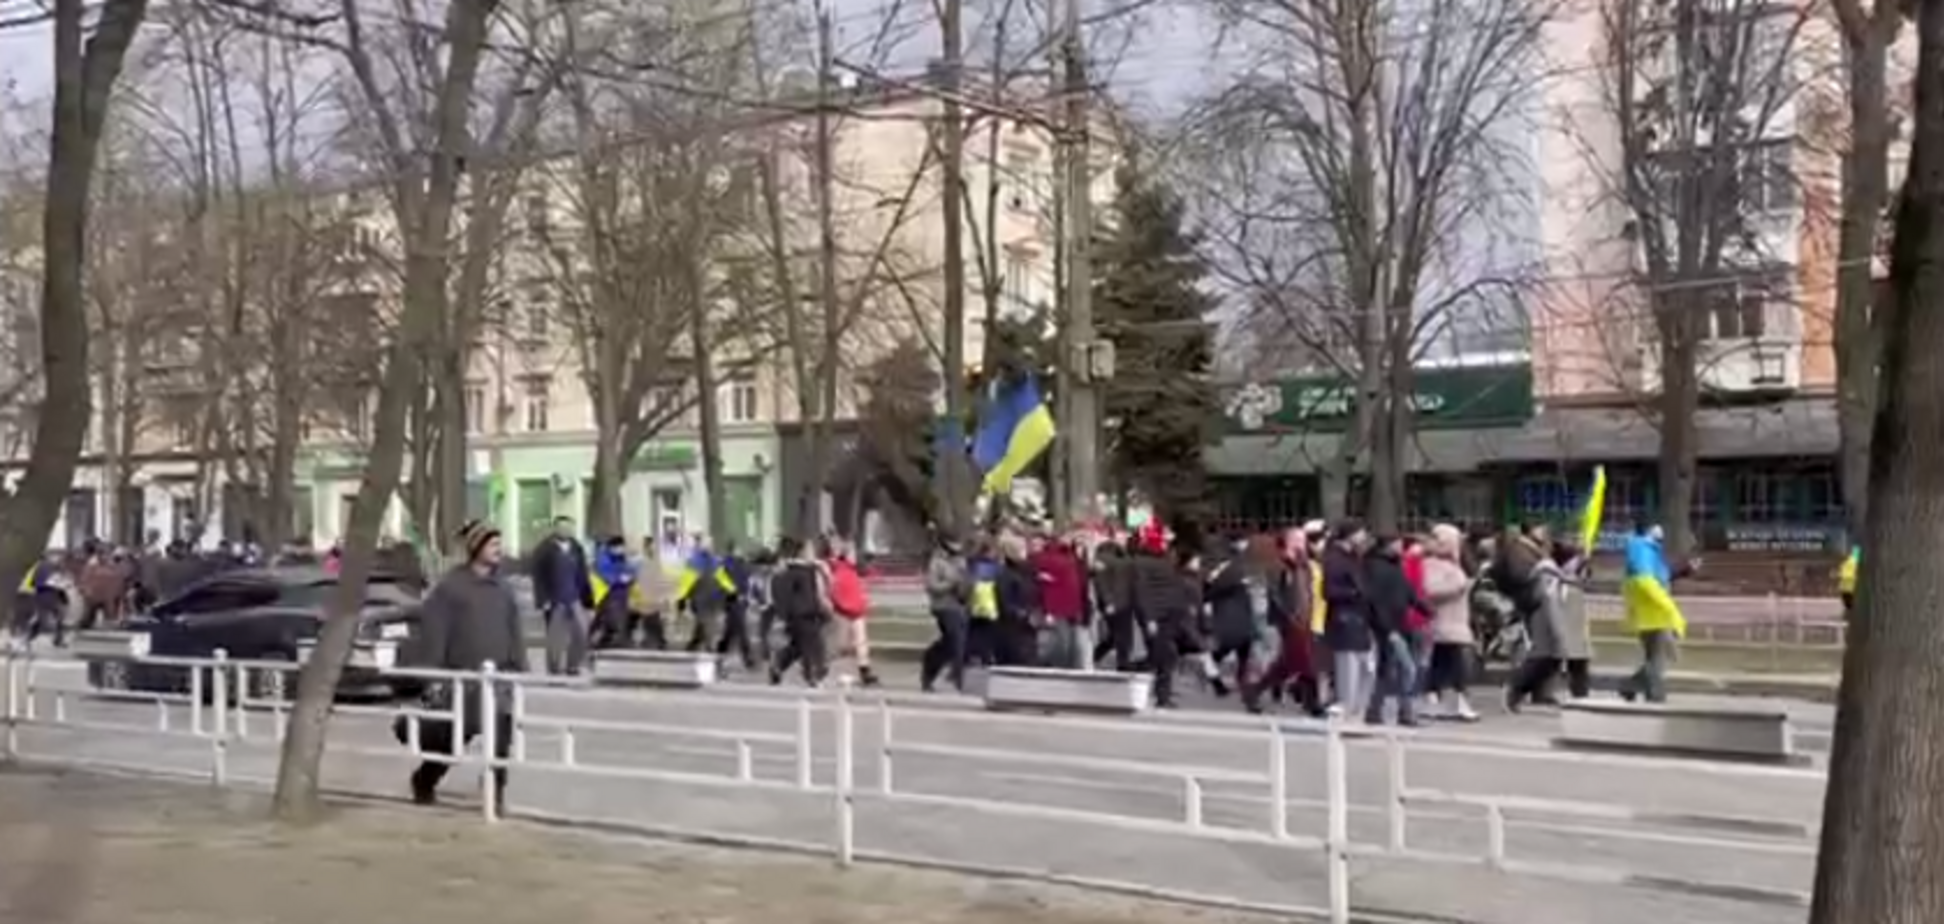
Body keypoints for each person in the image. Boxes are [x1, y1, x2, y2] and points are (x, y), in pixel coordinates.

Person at [406, 519, 526, 809]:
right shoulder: (451, 587)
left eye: (500, 544)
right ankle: (424, 780)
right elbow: (435, 630)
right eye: (493, 544)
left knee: (500, 740)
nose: (500, 550)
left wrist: (518, 662)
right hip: (461, 679)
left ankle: (495, 794)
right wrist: (432, 675)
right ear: (477, 547)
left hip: (498, 679)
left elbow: (514, 626)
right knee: (451, 741)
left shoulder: (503, 588)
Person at [1362, 531, 1424, 726]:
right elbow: (1377, 601)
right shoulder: (1377, 568)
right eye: (1397, 543)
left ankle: (1380, 710)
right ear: (1387, 546)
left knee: (1390, 668)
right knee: (1405, 668)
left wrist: (1424, 608)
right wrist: (1387, 628)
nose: (1400, 547)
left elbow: (1407, 592)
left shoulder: (1395, 566)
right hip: (1388, 627)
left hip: (1399, 623)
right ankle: (1400, 711)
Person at [1619, 522, 1686, 703]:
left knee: (1654, 659)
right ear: (1648, 531)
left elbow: (1658, 578)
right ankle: (1654, 696)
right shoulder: (1643, 550)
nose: (1661, 530)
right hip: (1654, 616)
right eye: (1657, 527)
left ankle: (1633, 687)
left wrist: (1682, 572)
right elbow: (1648, 584)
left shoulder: (1645, 551)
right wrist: (1672, 611)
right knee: (1658, 661)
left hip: (1649, 616)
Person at [1420, 524, 1477, 721]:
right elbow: (1429, 590)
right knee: (1452, 663)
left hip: (1457, 621)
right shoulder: (1430, 563)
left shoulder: (1456, 564)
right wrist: (1459, 586)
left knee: (1448, 663)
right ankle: (1442, 700)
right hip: (1442, 622)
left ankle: (1448, 700)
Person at [1320, 520, 1376, 718]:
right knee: (1349, 671)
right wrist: (1355, 593)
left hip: (1359, 619)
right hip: (1345, 620)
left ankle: (1356, 712)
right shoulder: (1335, 559)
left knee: (1366, 669)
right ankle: (1346, 711)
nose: (1363, 538)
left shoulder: (1354, 558)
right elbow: (1329, 591)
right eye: (1360, 533)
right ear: (1349, 535)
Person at [529, 516, 594, 675]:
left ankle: (573, 664)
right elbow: (538, 576)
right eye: (562, 527)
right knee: (555, 637)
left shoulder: (576, 548)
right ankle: (554, 667)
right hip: (555, 599)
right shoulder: (544, 549)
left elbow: (583, 574)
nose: (566, 530)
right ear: (555, 528)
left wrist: (588, 599)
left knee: (582, 631)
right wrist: (542, 599)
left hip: (574, 597)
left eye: (569, 527)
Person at [768, 537, 833, 687]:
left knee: (798, 647)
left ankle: (778, 666)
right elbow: (783, 595)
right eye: (809, 550)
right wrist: (782, 617)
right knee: (812, 644)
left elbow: (819, 592)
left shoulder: (811, 569)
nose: (813, 553)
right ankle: (814, 673)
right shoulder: (792, 572)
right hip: (799, 615)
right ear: (802, 553)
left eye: (813, 550)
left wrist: (823, 608)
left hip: (812, 613)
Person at [919, 532, 972, 693]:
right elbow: (932, 586)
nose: (957, 548)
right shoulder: (937, 562)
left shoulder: (961, 561)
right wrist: (950, 583)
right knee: (956, 640)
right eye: (953, 544)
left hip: (959, 606)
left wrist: (966, 584)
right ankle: (958, 677)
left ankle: (932, 665)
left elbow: (965, 583)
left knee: (952, 643)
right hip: (943, 607)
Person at [824, 536, 878, 686]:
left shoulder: (854, 569)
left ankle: (865, 671)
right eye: (852, 554)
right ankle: (823, 667)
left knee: (862, 643)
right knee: (839, 644)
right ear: (846, 555)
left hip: (857, 611)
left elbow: (867, 573)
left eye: (855, 554)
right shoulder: (839, 570)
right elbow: (834, 591)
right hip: (844, 612)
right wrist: (842, 606)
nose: (855, 557)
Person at [1032, 534, 1090, 669]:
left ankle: (1056, 665)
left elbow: (1042, 585)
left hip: (1055, 607)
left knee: (1058, 640)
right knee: (1067, 640)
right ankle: (1065, 666)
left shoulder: (1042, 560)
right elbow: (1078, 585)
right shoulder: (1071, 560)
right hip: (1071, 608)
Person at [589, 536, 637, 650]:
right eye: (620, 547)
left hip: (618, 593)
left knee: (608, 617)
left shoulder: (621, 558)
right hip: (604, 593)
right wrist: (622, 579)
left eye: (623, 547)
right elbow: (607, 576)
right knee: (605, 617)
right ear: (612, 547)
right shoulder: (603, 559)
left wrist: (629, 578)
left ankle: (605, 640)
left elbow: (629, 570)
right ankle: (592, 639)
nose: (622, 550)